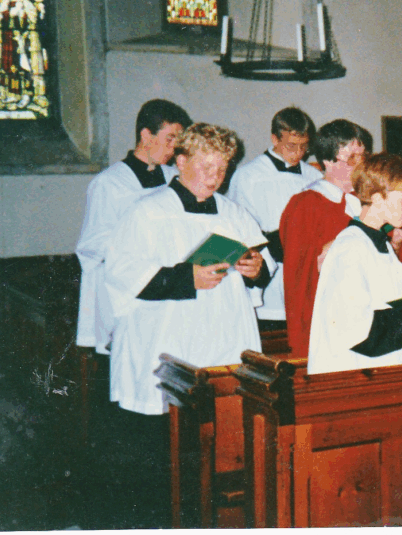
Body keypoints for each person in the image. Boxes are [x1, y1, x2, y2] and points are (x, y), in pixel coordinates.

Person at [102, 122, 271, 528]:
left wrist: (255, 268)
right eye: (207, 167)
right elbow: (122, 273)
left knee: (220, 441)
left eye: (223, 169)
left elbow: (264, 269)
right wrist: (186, 278)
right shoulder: (148, 211)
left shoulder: (233, 212)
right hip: (168, 339)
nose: (216, 178)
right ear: (180, 162)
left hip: (224, 337)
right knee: (167, 451)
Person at [308, 153, 402, 375]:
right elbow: (360, 333)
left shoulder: (378, 244)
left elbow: (388, 312)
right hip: (356, 375)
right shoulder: (350, 248)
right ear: (377, 198)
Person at [76, 99, 192, 355]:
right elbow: (92, 245)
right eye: (170, 139)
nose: (175, 148)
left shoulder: (175, 178)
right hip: (124, 292)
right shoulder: (109, 184)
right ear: (146, 135)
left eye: (178, 141)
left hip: (167, 287)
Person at [279, 119, 368, 357]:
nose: (360, 165)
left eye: (362, 156)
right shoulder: (306, 204)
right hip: (328, 317)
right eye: (351, 158)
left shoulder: (368, 201)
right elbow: (299, 273)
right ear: (328, 161)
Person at [228, 106, 322, 329]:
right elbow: (238, 230)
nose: (298, 153)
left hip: (306, 274)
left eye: (304, 147)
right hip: (269, 276)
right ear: (274, 139)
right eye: (291, 146)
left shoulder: (315, 176)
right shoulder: (248, 176)